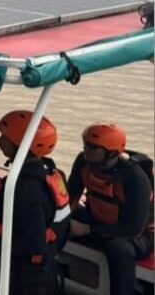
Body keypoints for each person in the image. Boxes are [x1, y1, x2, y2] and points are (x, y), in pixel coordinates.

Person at [0, 111, 70, 295]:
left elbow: (33, 242)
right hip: (39, 271)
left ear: (18, 143)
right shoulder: (48, 171)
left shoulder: (28, 188)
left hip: (27, 276)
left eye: (4, 137)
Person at [67, 123, 154, 295]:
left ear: (111, 152)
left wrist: (87, 229)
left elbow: (133, 227)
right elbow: (71, 196)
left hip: (137, 234)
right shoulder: (83, 162)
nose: (86, 150)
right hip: (97, 219)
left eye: (92, 147)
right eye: (85, 144)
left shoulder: (134, 178)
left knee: (119, 249)